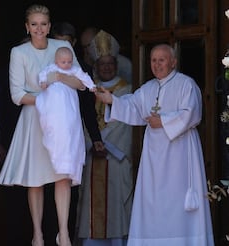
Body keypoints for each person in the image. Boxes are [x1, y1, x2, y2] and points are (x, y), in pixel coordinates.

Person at [94, 44, 214, 245]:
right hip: (153, 157)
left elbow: (192, 113)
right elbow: (131, 107)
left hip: (180, 154)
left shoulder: (186, 84)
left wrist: (164, 120)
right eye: (153, 60)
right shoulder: (148, 89)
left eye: (162, 60)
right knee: (153, 201)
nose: (157, 64)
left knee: (176, 202)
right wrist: (111, 100)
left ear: (173, 62)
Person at [0, 4, 87, 246]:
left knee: (62, 176)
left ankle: (64, 233)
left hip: (62, 120)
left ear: (49, 26)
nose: (39, 28)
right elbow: (17, 95)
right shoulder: (19, 52)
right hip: (35, 118)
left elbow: (80, 83)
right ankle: (37, 234)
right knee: (35, 179)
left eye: (43, 24)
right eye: (34, 24)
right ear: (27, 26)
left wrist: (59, 78)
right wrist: (47, 100)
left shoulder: (63, 47)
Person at [77, 30, 134, 246]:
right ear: (96, 66)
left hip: (116, 160)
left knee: (116, 207)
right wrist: (93, 143)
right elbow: (82, 121)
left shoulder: (127, 90)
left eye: (110, 63)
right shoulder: (88, 90)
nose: (107, 67)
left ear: (116, 65)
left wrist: (105, 145)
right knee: (92, 210)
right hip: (93, 158)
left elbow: (125, 124)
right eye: (102, 64)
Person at [50, 22, 105, 245]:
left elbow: (87, 109)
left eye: (66, 42)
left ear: (72, 43)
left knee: (69, 188)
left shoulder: (80, 68)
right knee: (46, 188)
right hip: (49, 134)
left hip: (72, 135)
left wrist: (96, 137)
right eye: (58, 41)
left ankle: (66, 237)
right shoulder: (48, 65)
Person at [36, 46, 96, 185]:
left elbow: (83, 77)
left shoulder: (73, 70)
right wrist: (43, 82)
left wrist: (91, 86)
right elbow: (43, 74)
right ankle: (56, 159)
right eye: (64, 62)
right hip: (53, 103)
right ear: (57, 61)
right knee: (52, 127)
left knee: (70, 131)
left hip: (69, 104)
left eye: (69, 62)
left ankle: (67, 164)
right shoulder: (51, 68)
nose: (67, 65)